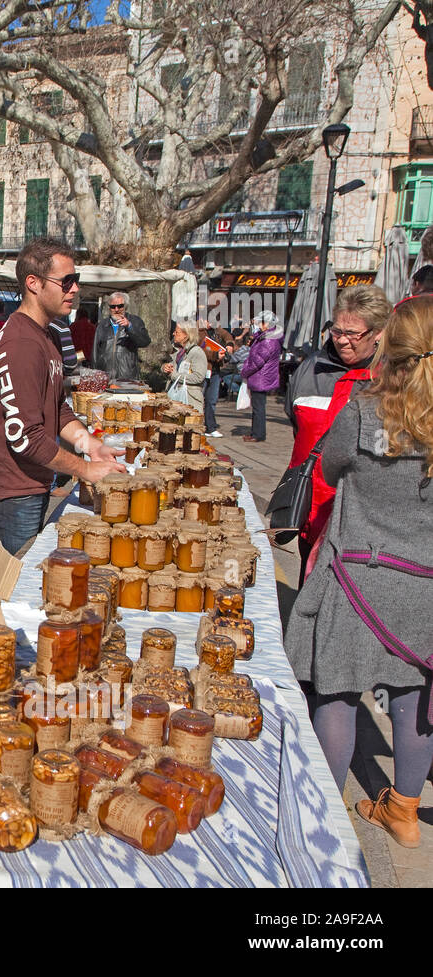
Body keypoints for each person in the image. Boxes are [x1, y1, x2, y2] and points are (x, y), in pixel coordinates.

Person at [285, 295, 433, 848]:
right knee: (413, 701)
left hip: (358, 576)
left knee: (337, 697)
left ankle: (322, 814)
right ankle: (405, 813)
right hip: (425, 582)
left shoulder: (366, 409)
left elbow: (328, 464)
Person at [0, 237, 126, 557]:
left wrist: (89, 444)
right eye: (67, 281)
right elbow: (25, 437)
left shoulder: (47, 335)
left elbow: (56, 405)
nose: (75, 289)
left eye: (75, 280)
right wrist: (85, 469)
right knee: (8, 591)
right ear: (33, 284)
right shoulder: (21, 344)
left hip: (26, 487)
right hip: (4, 493)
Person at [284, 285, 391, 572]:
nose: (343, 340)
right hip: (311, 509)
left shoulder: (392, 380)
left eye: (353, 334)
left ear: (378, 332)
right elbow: (296, 425)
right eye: (336, 331)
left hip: (361, 520)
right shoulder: (310, 369)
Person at [239, 310, 284, 442]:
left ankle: (258, 434)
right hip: (260, 376)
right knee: (257, 406)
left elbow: (257, 361)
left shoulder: (269, 341)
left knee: (258, 407)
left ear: (267, 324)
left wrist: (244, 372)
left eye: (261, 322)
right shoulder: (264, 337)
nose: (258, 324)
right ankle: (255, 432)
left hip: (261, 377)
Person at [93, 291, 152, 381]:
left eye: (120, 306)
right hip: (105, 376)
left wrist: (129, 327)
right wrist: (95, 374)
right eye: (113, 307)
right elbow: (95, 351)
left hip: (127, 376)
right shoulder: (102, 325)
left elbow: (145, 342)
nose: (116, 309)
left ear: (125, 306)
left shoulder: (135, 321)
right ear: (109, 308)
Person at [199, 317, 236, 437]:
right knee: (199, 398)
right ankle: (199, 425)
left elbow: (227, 336)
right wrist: (216, 355)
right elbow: (201, 350)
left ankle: (210, 427)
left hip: (215, 370)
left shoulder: (216, 330)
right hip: (203, 369)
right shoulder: (197, 331)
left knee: (212, 399)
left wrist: (230, 344)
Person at [160, 320, 207, 411]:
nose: (173, 334)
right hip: (175, 398)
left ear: (186, 335)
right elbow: (170, 368)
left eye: (177, 332)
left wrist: (175, 376)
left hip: (190, 401)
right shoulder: (177, 351)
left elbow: (198, 377)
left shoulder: (196, 352)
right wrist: (165, 368)